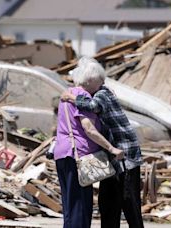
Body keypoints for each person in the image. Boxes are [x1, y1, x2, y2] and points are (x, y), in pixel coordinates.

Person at [62, 57, 144, 228]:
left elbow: (92, 106)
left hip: (125, 154)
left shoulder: (102, 93)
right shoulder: (96, 91)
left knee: (129, 202)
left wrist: (71, 98)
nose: (102, 82)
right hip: (111, 155)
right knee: (108, 202)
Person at [54, 57, 124, 228]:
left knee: (70, 205)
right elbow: (89, 128)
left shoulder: (67, 94)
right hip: (77, 154)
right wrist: (111, 148)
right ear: (91, 79)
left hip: (62, 152)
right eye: (100, 81)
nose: (101, 86)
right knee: (80, 205)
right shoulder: (83, 96)